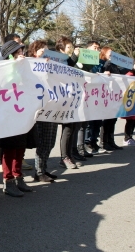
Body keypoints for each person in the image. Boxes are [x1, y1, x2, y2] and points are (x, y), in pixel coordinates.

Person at [0, 40, 36, 196]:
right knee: (10, 148)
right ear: (10, 55)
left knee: (21, 146)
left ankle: (18, 176)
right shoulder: (2, 68)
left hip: (23, 111)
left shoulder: (25, 67)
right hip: (8, 113)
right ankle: (8, 181)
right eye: (18, 52)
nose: (21, 54)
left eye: (22, 51)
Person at [28, 40, 58, 183]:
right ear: (34, 52)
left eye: (47, 50)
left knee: (51, 141)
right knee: (43, 141)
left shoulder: (53, 66)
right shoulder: (30, 65)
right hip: (41, 109)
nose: (45, 53)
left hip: (53, 106)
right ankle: (39, 171)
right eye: (42, 51)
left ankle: (44, 169)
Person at [56, 36, 82, 169]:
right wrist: (74, 57)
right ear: (61, 49)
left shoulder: (68, 60)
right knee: (67, 128)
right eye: (68, 47)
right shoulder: (58, 60)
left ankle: (70, 155)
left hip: (72, 96)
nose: (71, 49)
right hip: (62, 97)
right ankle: (64, 157)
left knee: (73, 127)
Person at [97, 47, 123, 150]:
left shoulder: (113, 65)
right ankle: (104, 141)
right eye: (109, 54)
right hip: (108, 94)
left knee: (113, 119)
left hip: (115, 94)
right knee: (108, 119)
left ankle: (110, 140)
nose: (111, 56)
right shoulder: (106, 64)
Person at [123, 60, 135, 146]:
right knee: (130, 120)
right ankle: (126, 138)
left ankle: (130, 137)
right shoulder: (130, 74)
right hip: (130, 100)